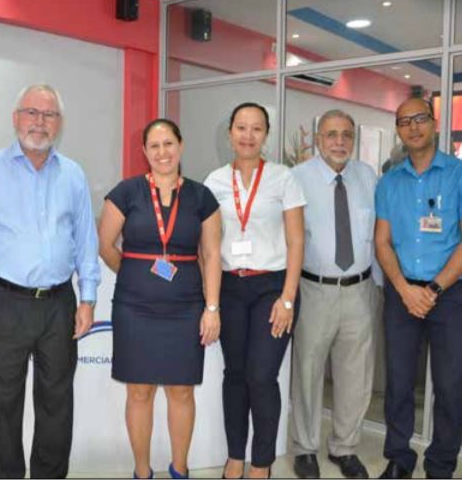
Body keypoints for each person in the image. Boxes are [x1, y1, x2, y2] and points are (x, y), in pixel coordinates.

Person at [0, 84, 101, 479]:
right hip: (3, 302)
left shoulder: (73, 174)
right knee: (0, 404)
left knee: (57, 401)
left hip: (59, 304)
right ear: (15, 118)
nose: (40, 122)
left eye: (49, 115)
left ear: (60, 123)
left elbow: (86, 240)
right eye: (32, 112)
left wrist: (88, 298)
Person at [98, 119, 222, 479]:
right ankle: (142, 471)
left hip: (186, 308)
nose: (162, 152)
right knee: (139, 392)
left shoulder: (201, 197)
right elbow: (105, 245)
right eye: (154, 145)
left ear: (181, 146)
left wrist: (212, 308)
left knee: (181, 391)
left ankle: (179, 469)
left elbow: (212, 255)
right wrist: (134, 274)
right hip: (134, 308)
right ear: (144, 151)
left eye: (168, 144)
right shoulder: (126, 192)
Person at [205, 102, 305, 479]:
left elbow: (296, 241)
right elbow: (208, 246)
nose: (248, 136)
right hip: (230, 286)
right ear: (229, 132)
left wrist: (288, 298)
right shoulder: (214, 181)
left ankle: (261, 462)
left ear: (266, 135)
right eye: (241, 128)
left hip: (272, 287)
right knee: (235, 373)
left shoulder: (283, 178)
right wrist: (211, 302)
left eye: (257, 128)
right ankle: (235, 456)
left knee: (261, 375)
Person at [375, 97, 462, 480]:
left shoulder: (458, 174)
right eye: (404, 121)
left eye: (420, 118)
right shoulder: (389, 181)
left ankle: (441, 465)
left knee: (451, 385)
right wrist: (404, 289)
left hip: (450, 294)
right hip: (401, 293)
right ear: (398, 129)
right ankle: (399, 458)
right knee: (398, 382)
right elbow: (382, 242)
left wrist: (435, 289)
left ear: (434, 123)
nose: (413, 126)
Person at [290, 110, 378, 479]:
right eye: (331, 134)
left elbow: (375, 234)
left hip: (360, 291)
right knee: (307, 372)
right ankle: (305, 449)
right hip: (314, 290)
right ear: (318, 138)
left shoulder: (367, 176)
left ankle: (345, 447)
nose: (339, 142)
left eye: (346, 135)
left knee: (356, 376)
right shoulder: (297, 178)